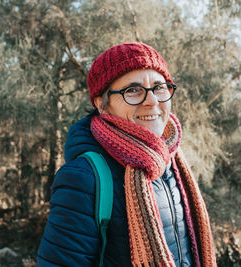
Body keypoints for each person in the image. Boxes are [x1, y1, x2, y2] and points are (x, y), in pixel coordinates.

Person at [36, 42, 217, 267]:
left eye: (159, 87)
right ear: (102, 104)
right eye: (132, 90)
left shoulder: (174, 162)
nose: (152, 101)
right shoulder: (83, 178)